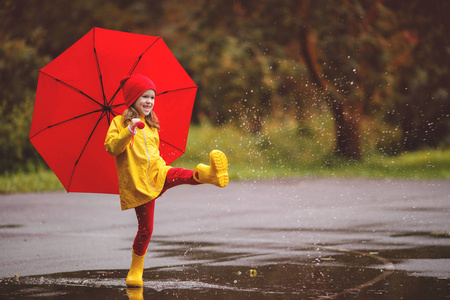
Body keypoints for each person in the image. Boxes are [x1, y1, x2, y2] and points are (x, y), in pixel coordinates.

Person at [104, 74, 229, 287]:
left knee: (177, 174)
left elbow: (154, 154)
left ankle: (209, 175)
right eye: (144, 96)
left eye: (152, 97)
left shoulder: (152, 124)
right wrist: (129, 130)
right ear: (133, 98)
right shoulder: (119, 123)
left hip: (157, 173)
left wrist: (160, 166)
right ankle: (135, 271)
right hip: (138, 184)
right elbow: (112, 147)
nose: (149, 101)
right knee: (146, 229)